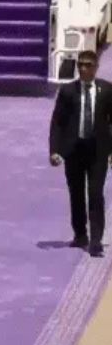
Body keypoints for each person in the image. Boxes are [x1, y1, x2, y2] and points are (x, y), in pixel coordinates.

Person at [50, 49, 112, 257]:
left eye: (87, 65)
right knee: (76, 194)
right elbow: (57, 122)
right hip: (74, 151)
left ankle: (96, 240)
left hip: (98, 151)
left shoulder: (107, 90)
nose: (83, 69)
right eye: (80, 65)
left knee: (95, 193)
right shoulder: (68, 91)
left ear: (96, 67)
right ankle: (80, 234)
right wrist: (55, 150)